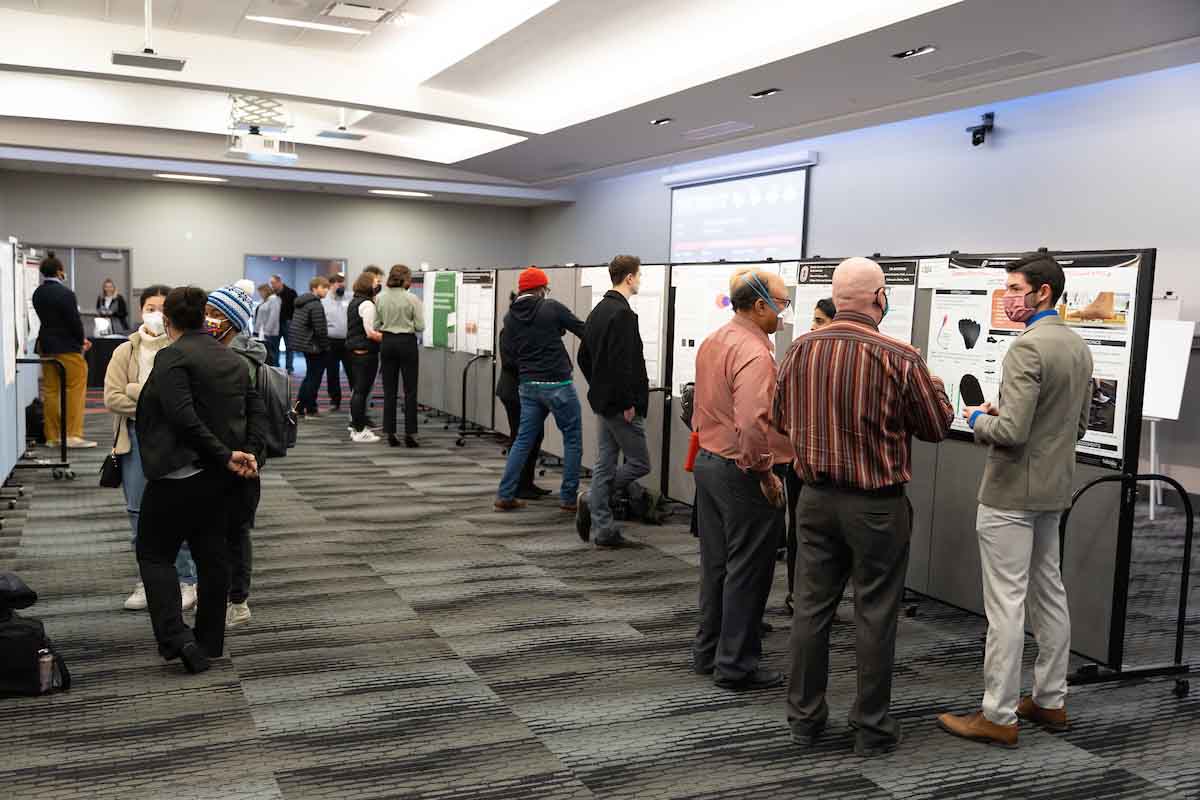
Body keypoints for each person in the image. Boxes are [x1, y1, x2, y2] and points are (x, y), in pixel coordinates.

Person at [774, 257, 952, 756]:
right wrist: (935, 386)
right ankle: (870, 727)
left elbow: (779, 416)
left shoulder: (799, 349)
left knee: (810, 610)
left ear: (835, 296)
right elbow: (936, 428)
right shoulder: (901, 356)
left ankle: (804, 720)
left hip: (812, 499)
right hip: (876, 506)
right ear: (880, 298)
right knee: (875, 613)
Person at [937, 254, 1093, 748]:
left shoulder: (1025, 349)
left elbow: (1009, 432)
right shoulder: (1077, 345)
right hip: (1052, 490)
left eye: (1013, 287)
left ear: (1042, 292)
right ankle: (1050, 699)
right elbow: (1078, 427)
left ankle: (999, 715)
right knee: (1049, 593)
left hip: (1009, 495)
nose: (1006, 297)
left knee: (1005, 605)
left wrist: (975, 418)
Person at [135, 286, 266, 674]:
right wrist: (247, 454)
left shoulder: (172, 356)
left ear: (169, 320)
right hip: (218, 481)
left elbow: (181, 417)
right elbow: (255, 409)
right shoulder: (231, 359)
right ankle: (209, 641)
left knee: (154, 553)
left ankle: (178, 638)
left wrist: (224, 454)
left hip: (179, 475)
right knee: (213, 556)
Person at [690, 268, 792, 692]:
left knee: (717, 566)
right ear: (757, 305)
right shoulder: (754, 352)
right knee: (749, 570)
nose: (783, 314)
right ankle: (735, 665)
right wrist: (765, 472)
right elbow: (752, 423)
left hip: (710, 464)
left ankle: (709, 651)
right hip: (742, 471)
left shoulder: (716, 339)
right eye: (780, 304)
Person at [104, 284, 198, 613]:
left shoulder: (183, 349)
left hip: (176, 440)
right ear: (140, 310)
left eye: (162, 308)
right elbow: (112, 398)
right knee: (138, 515)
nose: (156, 314)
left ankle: (187, 579)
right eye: (149, 307)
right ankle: (148, 581)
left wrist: (139, 395)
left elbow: (188, 400)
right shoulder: (125, 352)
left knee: (179, 512)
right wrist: (153, 401)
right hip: (134, 438)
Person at [494, 267, 586, 513]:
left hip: (528, 386)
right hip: (558, 384)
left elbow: (513, 352)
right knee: (573, 439)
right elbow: (583, 330)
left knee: (522, 441)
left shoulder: (510, 316)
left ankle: (505, 494)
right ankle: (568, 498)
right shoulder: (551, 307)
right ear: (541, 288)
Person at [576, 254, 651, 548]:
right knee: (640, 463)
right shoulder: (622, 314)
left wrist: (600, 387)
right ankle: (593, 499)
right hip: (621, 405)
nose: (640, 280)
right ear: (629, 277)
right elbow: (624, 365)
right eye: (639, 275)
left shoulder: (599, 310)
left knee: (605, 464)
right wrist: (627, 400)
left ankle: (604, 530)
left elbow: (584, 356)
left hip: (604, 402)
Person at [204, 284, 267, 630]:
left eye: (216, 316)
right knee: (218, 531)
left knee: (235, 533)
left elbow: (248, 416)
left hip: (239, 460)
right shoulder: (212, 354)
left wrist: (248, 455)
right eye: (208, 313)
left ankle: (238, 600)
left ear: (233, 323)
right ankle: (221, 594)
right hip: (221, 457)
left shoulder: (241, 363)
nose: (208, 321)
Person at [781, 296, 837, 615]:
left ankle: (819, 597)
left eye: (820, 321)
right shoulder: (802, 351)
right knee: (800, 531)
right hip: (802, 460)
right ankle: (796, 593)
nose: (813, 327)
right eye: (814, 320)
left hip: (832, 465)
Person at [31, 252, 95, 449]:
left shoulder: (38, 293)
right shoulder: (66, 294)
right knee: (74, 390)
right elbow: (74, 322)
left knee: (50, 392)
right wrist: (81, 340)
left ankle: (52, 436)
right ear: (60, 272)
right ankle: (72, 435)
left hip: (46, 347)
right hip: (68, 348)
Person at [495, 292, 549, 500]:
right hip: (514, 392)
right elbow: (510, 362)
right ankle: (518, 485)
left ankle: (527, 482)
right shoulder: (507, 331)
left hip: (530, 391)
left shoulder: (530, 330)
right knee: (522, 437)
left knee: (536, 437)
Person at [375, 265, 424, 448]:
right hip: (407, 343)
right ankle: (410, 434)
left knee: (389, 391)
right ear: (406, 279)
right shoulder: (412, 298)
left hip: (387, 343)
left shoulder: (380, 298)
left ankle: (391, 433)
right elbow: (420, 326)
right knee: (410, 391)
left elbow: (375, 323)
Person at [347, 269, 384, 442]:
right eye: (376, 282)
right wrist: (390, 338)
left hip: (355, 351)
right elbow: (371, 332)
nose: (378, 284)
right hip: (365, 352)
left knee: (358, 391)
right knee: (361, 392)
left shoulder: (355, 301)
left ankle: (356, 426)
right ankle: (359, 430)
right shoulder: (367, 305)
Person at [290, 276, 331, 418]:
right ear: (315, 288)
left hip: (305, 344)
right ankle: (309, 408)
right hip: (314, 346)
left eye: (327, 287)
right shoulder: (315, 305)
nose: (326, 290)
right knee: (314, 378)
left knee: (310, 377)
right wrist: (326, 347)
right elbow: (320, 330)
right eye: (323, 287)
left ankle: (301, 407)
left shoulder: (304, 302)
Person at [322, 273, 352, 413]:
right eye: (337, 283)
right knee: (332, 373)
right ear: (331, 285)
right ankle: (335, 400)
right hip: (331, 341)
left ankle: (355, 398)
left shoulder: (350, 297)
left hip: (348, 341)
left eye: (342, 283)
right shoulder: (324, 301)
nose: (341, 286)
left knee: (352, 371)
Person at [270, 274, 298, 373]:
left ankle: (289, 368)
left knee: (289, 347)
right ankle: (275, 366)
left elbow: (296, 309)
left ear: (279, 282)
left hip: (288, 323)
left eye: (273, 283)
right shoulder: (272, 295)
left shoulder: (291, 293)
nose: (272, 285)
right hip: (275, 323)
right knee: (274, 346)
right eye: (271, 283)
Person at [255, 284, 282, 366]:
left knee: (272, 355)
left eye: (261, 292)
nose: (260, 294)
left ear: (266, 291)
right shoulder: (264, 300)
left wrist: (267, 331)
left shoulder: (274, 300)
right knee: (265, 356)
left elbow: (273, 316)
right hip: (260, 332)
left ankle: (276, 374)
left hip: (269, 333)